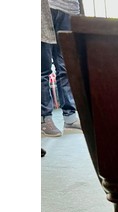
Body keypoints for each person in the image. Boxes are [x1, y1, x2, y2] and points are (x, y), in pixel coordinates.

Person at [41, 0, 82, 136]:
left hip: (69, 8)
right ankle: (44, 119)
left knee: (64, 68)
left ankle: (70, 118)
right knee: (43, 68)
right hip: (45, 7)